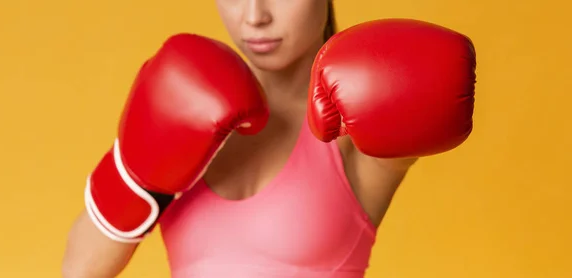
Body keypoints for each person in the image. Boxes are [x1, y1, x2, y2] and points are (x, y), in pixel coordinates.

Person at [62, 1, 476, 277]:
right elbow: (80, 271)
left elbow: (429, 83)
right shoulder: (185, 96)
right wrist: (136, 175)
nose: (255, 15)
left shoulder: (352, 130)